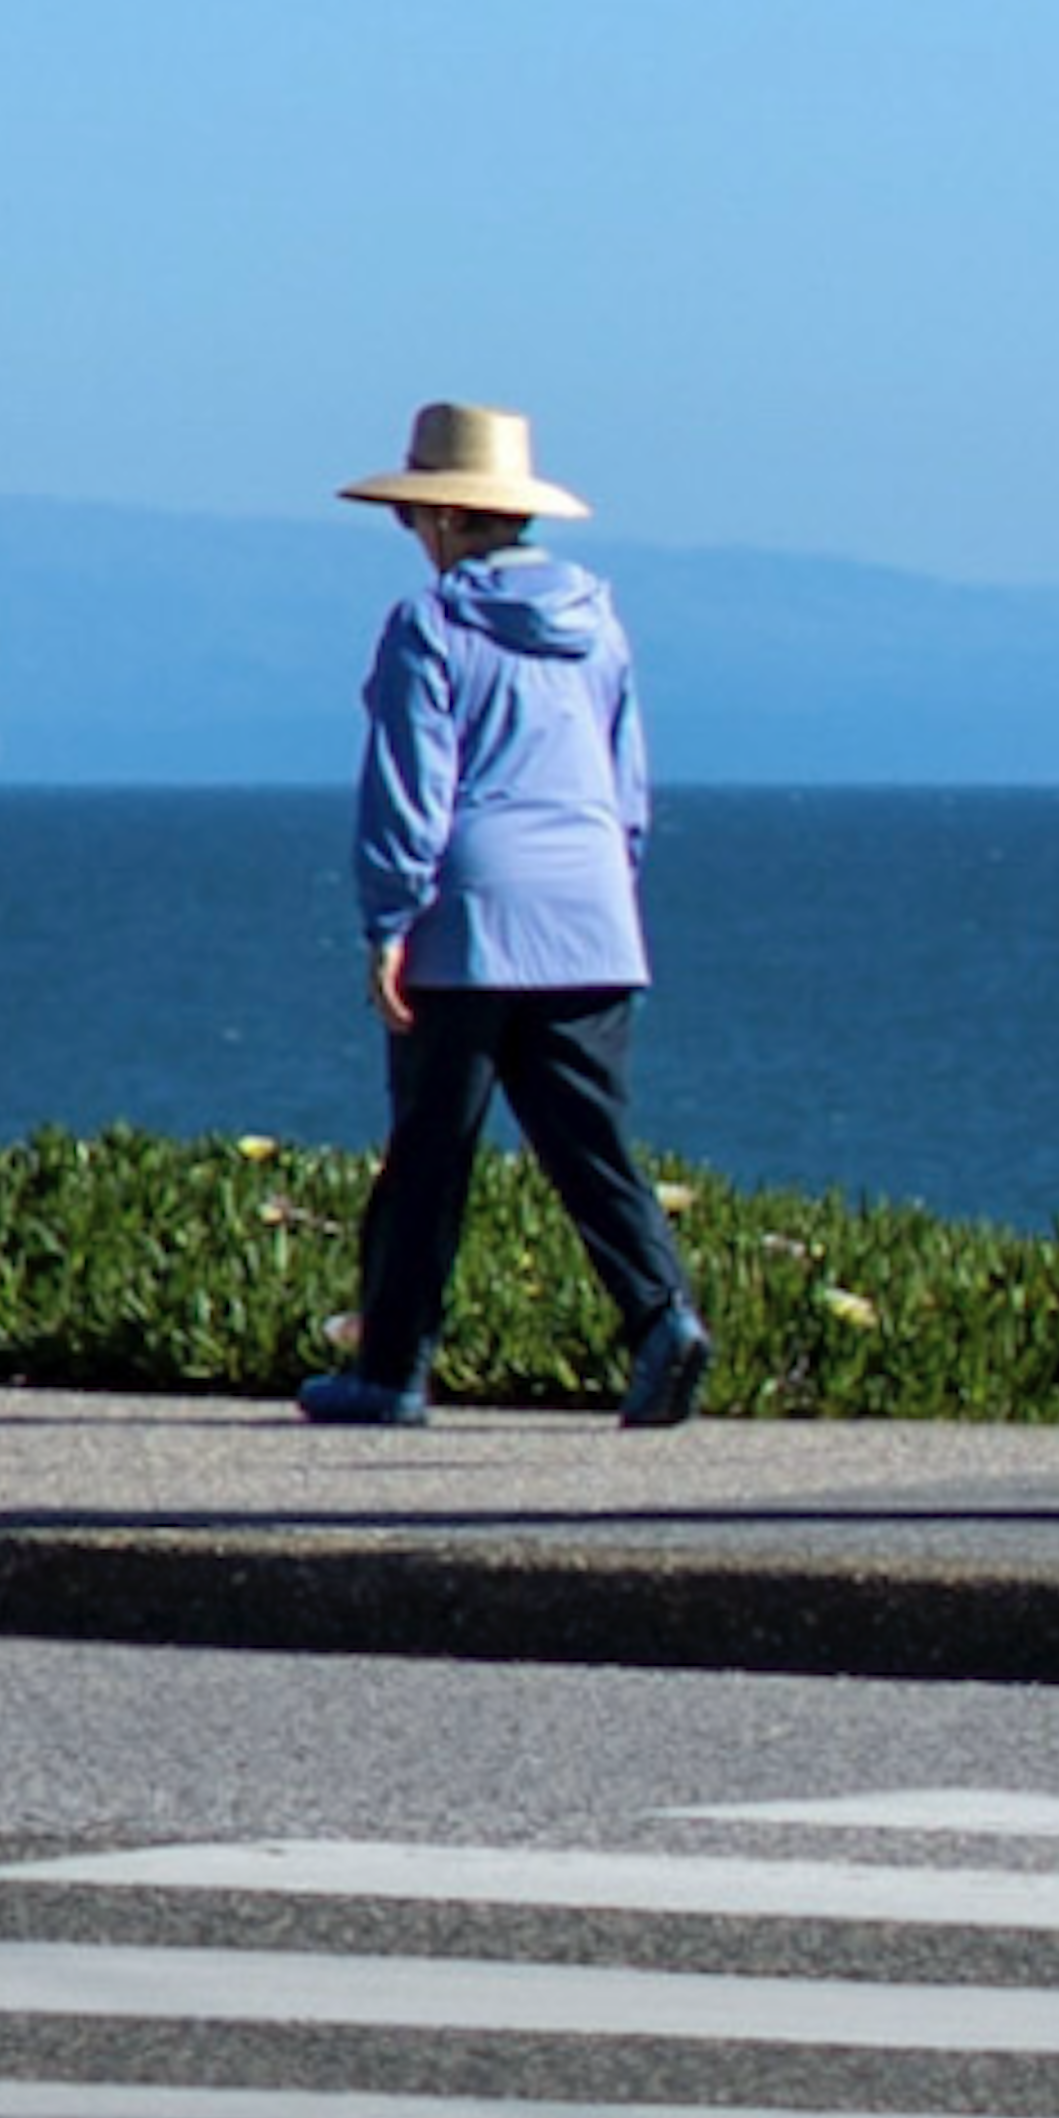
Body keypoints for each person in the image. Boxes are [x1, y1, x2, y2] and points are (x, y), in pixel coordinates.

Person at [297, 401, 714, 1431]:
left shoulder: (429, 623)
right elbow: (627, 785)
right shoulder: (598, 622)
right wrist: (611, 883)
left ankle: (390, 1369)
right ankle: (662, 1315)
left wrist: (388, 921)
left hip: (469, 915)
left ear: (440, 517)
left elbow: (412, 784)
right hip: (591, 910)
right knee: (591, 1143)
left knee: (431, 1146)